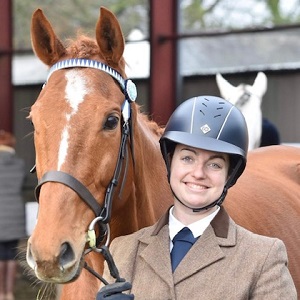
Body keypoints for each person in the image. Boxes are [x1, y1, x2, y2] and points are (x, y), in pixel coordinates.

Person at [97, 96, 297, 299]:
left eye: (215, 164)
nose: (198, 173)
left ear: (230, 174)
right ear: (170, 162)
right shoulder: (123, 250)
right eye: (187, 158)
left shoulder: (264, 256)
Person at [0, 131, 26, 300]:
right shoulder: (20, 164)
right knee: (11, 254)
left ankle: (1, 293)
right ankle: (9, 293)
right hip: (15, 214)